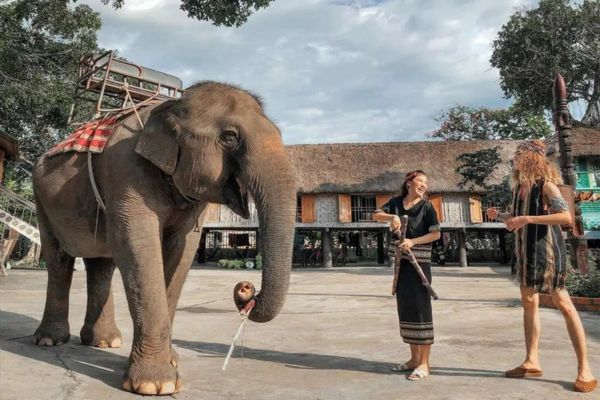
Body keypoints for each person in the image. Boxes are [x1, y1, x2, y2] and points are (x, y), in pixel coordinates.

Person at [486, 140, 596, 393]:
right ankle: (531, 360)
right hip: (525, 252)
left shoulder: (547, 186)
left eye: (519, 155)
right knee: (529, 303)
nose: (515, 159)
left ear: (532, 159)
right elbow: (517, 221)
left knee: (564, 305)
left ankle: (584, 369)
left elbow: (565, 217)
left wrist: (527, 218)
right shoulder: (518, 191)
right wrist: (501, 217)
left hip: (548, 251)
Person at [373, 170, 441, 381]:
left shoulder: (427, 207)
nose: (424, 185)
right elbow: (376, 214)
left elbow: (436, 233)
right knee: (407, 309)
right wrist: (392, 216)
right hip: (401, 266)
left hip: (419, 264)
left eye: (426, 183)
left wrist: (413, 241)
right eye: (420, 181)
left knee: (421, 310)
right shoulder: (395, 203)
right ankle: (413, 359)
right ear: (409, 183)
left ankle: (424, 363)